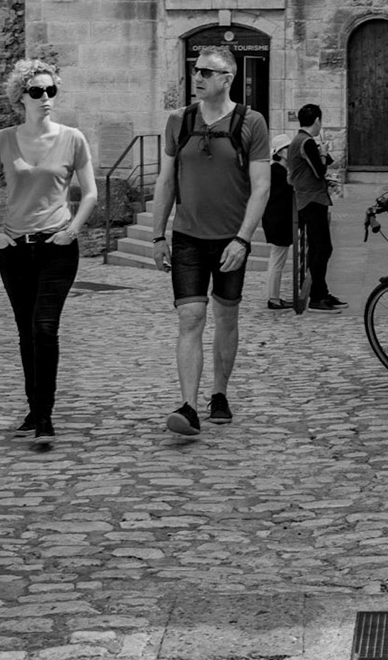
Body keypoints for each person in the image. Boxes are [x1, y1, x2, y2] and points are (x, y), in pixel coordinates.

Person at [147, 47, 270, 434]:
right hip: (187, 237)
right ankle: (188, 406)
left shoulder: (251, 122)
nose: (196, 77)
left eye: (205, 72)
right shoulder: (178, 121)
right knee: (191, 317)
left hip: (230, 239)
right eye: (194, 70)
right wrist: (156, 235)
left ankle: (219, 392)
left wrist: (243, 239)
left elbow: (261, 188)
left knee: (226, 317)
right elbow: (166, 181)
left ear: (227, 78)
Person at [0, 59, 97, 441]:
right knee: (26, 332)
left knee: (45, 328)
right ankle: (33, 408)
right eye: (36, 92)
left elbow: (90, 191)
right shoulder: (3, 140)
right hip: (14, 249)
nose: (45, 98)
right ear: (20, 99)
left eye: (51, 91)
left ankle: (44, 415)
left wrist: (73, 229)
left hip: (57, 246)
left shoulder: (73, 138)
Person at [284, 103, 343, 310]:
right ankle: (318, 296)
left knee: (318, 248)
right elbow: (319, 170)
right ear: (317, 120)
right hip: (312, 200)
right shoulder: (306, 142)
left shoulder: (299, 140)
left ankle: (321, 292)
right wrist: (324, 153)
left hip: (309, 198)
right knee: (323, 248)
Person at [262, 132, 298, 311]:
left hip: (278, 220)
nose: (290, 151)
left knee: (277, 259)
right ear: (280, 152)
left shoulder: (280, 170)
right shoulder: (276, 171)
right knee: (277, 260)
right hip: (278, 221)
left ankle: (273, 296)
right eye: (287, 148)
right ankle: (273, 298)